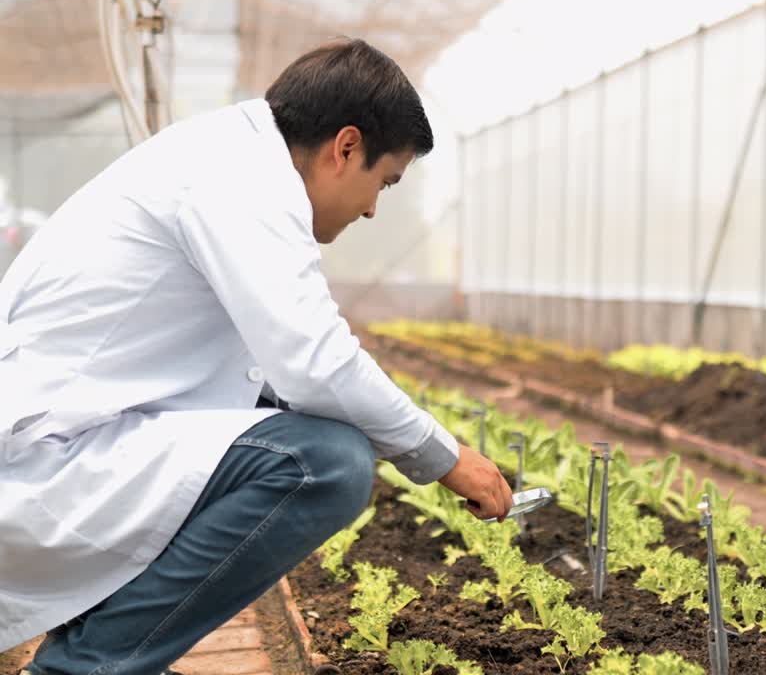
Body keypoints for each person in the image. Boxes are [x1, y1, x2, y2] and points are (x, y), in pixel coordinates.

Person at [0, 38, 514, 674]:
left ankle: (98, 652)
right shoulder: (240, 177)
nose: (374, 208)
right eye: (382, 181)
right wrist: (444, 456)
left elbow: (284, 369)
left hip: (74, 445)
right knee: (322, 463)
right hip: (45, 460)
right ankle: (88, 668)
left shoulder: (228, 157)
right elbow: (315, 360)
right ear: (345, 147)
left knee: (294, 427)